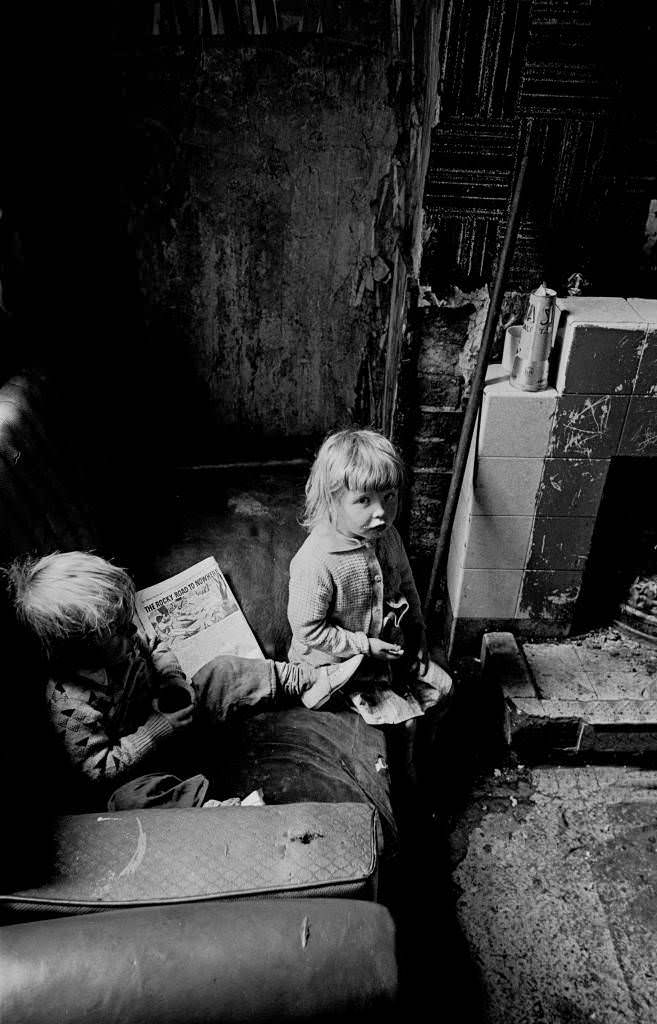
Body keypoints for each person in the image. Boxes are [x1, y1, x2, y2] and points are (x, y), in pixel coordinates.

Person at [6, 550, 363, 811]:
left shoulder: (125, 638)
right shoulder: (70, 706)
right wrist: (156, 729)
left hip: (173, 713)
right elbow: (98, 771)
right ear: (77, 653)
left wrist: (172, 680)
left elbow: (157, 646)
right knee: (130, 801)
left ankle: (308, 679)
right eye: (117, 631)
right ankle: (217, 812)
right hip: (140, 765)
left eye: (127, 622)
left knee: (222, 671)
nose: (132, 631)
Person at [287, 427, 452, 789]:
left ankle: (429, 763)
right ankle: (410, 785)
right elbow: (308, 631)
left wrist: (419, 632)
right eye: (364, 501)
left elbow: (407, 584)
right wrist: (365, 645)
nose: (381, 513)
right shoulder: (316, 562)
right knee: (404, 722)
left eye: (389, 497)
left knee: (444, 688)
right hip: (339, 665)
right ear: (332, 500)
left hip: (387, 651)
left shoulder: (386, 536)